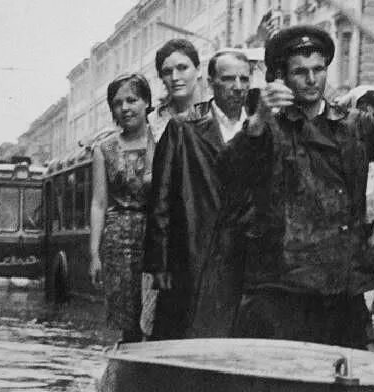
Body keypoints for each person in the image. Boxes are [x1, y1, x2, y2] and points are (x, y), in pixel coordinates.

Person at [219, 24, 374, 349]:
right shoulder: (268, 127)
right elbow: (229, 174)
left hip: (343, 289)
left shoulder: (355, 125)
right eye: (300, 72)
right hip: (283, 290)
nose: (312, 80)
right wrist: (258, 121)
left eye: (318, 70)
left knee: (345, 381)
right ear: (282, 76)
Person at [144, 48, 252, 340]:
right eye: (229, 79)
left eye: (244, 79)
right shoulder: (183, 128)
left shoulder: (259, 129)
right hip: (193, 251)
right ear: (212, 81)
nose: (238, 87)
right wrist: (159, 264)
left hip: (245, 255)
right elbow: (161, 198)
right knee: (186, 335)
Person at [89, 73, 155, 342]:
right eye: (118, 103)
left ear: (147, 103)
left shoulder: (162, 139)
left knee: (155, 312)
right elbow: (99, 202)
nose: (125, 108)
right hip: (119, 241)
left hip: (155, 233)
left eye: (132, 100)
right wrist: (94, 253)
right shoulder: (104, 148)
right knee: (127, 319)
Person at [148, 39, 204, 143]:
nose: (175, 77)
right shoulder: (155, 121)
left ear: (198, 70)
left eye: (182, 68)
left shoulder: (214, 110)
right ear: (161, 77)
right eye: (167, 72)